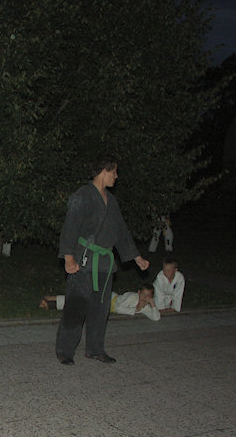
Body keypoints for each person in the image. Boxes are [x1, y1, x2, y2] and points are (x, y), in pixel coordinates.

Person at [56, 156, 149, 365]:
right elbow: (70, 227)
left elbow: (121, 232)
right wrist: (69, 258)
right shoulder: (82, 196)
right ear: (104, 171)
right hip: (83, 260)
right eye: (114, 172)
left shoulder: (111, 201)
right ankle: (65, 351)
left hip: (105, 264)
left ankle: (95, 349)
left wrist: (137, 257)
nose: (116, 176)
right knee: (76, 308)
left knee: (100, 308)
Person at [41, 282, 160, 321]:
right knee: (81, 299)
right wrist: (135, 309)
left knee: (81, 307)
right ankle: (52, 299)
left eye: (148, 296)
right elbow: (118, 308)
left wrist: (153, 305)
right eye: (143, 294)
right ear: (139, 292)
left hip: (105, 308)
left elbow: (156, 318)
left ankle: (52, 305)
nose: (144, 298)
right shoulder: (132, 297)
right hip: (108, 299)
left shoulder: (145, 306)